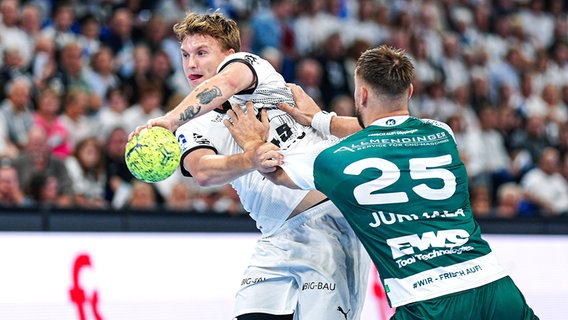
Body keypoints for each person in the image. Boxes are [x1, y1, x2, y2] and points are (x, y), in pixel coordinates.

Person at [230, 45, 539, 319]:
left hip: (426, 301)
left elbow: (274, 170)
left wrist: (252, 142)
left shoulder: (336, 160)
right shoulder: (441, 132)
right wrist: (321, 119)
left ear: (361, 95)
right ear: (411, 91)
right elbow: (381, 130)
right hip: (494, 286)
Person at [130, 11, 369, 320]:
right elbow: (202, 171)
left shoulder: (252, 70)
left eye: (202, 53)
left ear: (229, 54)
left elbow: (227, 82)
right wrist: (250, 158)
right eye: (185, 55)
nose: (191, 64)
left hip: (329, 224)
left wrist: (169, 119)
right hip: (275, 237)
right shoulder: (191, 123)